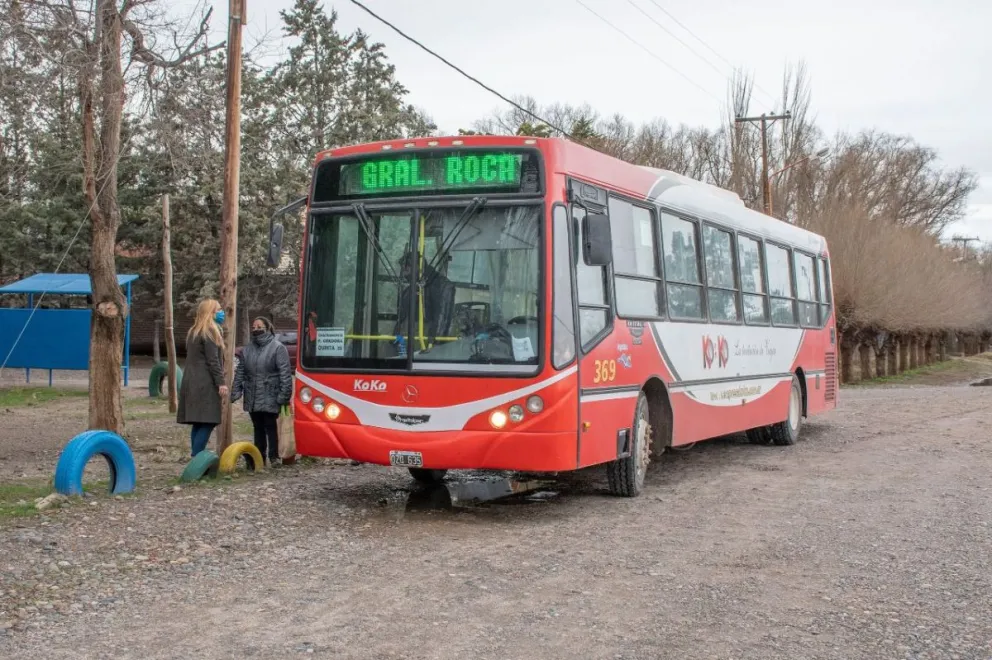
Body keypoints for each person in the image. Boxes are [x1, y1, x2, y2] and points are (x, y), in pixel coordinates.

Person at [232, 316, 293, 466]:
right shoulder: (248, 349)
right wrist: (236, 390)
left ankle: (274, 456)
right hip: (252, 393)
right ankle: (259, 457)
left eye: (259, 327)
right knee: (257, 426)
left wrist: (284, 395)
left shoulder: (278, 348)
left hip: (270, 393)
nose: (255, 330)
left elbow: (285, 373)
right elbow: (241, 371)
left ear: (267, 328)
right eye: (253, 327)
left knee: (270, 425)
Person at [176, 299, 228, 457]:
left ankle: (195, 457)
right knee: (209, 420)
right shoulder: (210, 331)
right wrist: (221, 383)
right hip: (205, 382)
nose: (221, 312)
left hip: (191, 380)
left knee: (199, 421)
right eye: (218, 309)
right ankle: (196, 457)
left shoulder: (194, 331)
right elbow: (213, 361)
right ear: (211, 312)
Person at [394, 250, 456, 346]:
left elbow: (441, 320)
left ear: (418, 267)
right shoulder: (408, 291)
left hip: (424, 346)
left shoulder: (442, 286)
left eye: (406, 270)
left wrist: (434, 347)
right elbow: (401, 320)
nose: (403, 275)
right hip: (405, 343)